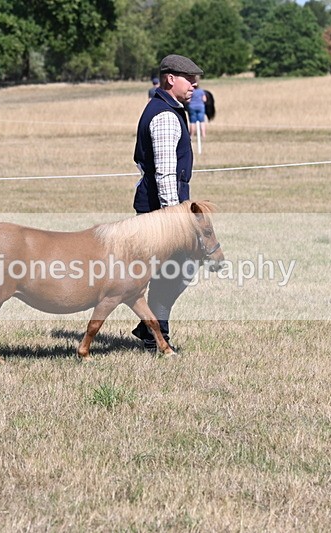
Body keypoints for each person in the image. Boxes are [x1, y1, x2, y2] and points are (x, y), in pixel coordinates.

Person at [131, 54, 204, 352]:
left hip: (158, 209)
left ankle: (151, 329)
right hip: (160, 211)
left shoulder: (170, 109)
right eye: (189, 78)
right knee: (179, 268)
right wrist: (174, 218)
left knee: (170, 271)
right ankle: (153, 330)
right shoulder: (164, 115)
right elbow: (164, 173)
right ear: (170, 78)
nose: (195, 84)